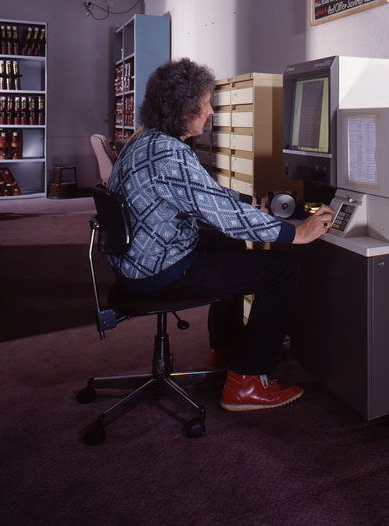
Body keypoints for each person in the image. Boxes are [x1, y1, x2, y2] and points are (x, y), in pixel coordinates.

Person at [106, 58, 334, 411]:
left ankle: (225, 353)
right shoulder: (171, 155)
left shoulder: (145, 140)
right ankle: (247, 380)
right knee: (280, 270)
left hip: (140, 256)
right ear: (184, 109)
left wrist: (251, 203)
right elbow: (219, 212)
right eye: (206, 103)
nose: (211, 112)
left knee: (231, 244)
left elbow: (205, 197)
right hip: (157, 270)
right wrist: (296, 233)